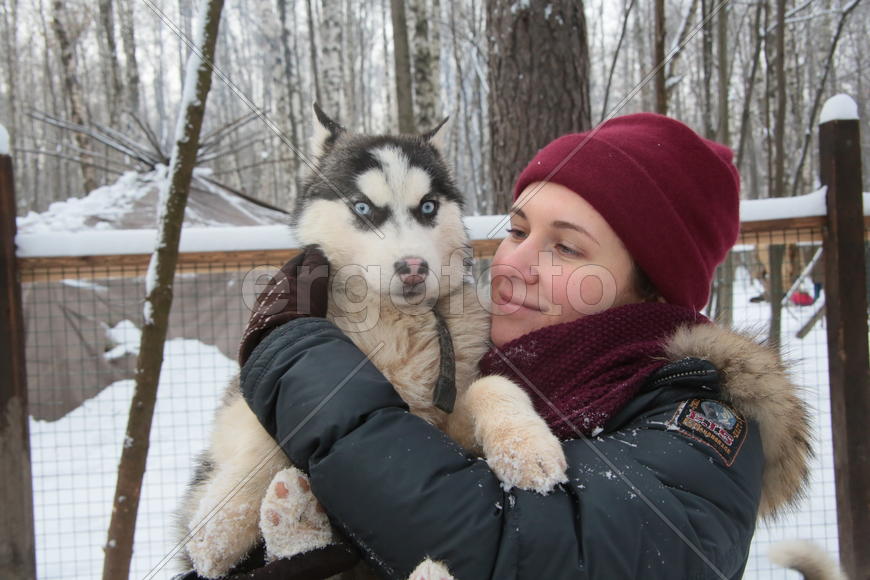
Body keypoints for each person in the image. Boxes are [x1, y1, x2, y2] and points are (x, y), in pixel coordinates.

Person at [234, 114, 812, 579]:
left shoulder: (701, 425)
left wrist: (299, 361)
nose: (515, 265)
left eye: (565, 248)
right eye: (516, 229)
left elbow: (526, 548)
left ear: (650, 289)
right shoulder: (458, 359)